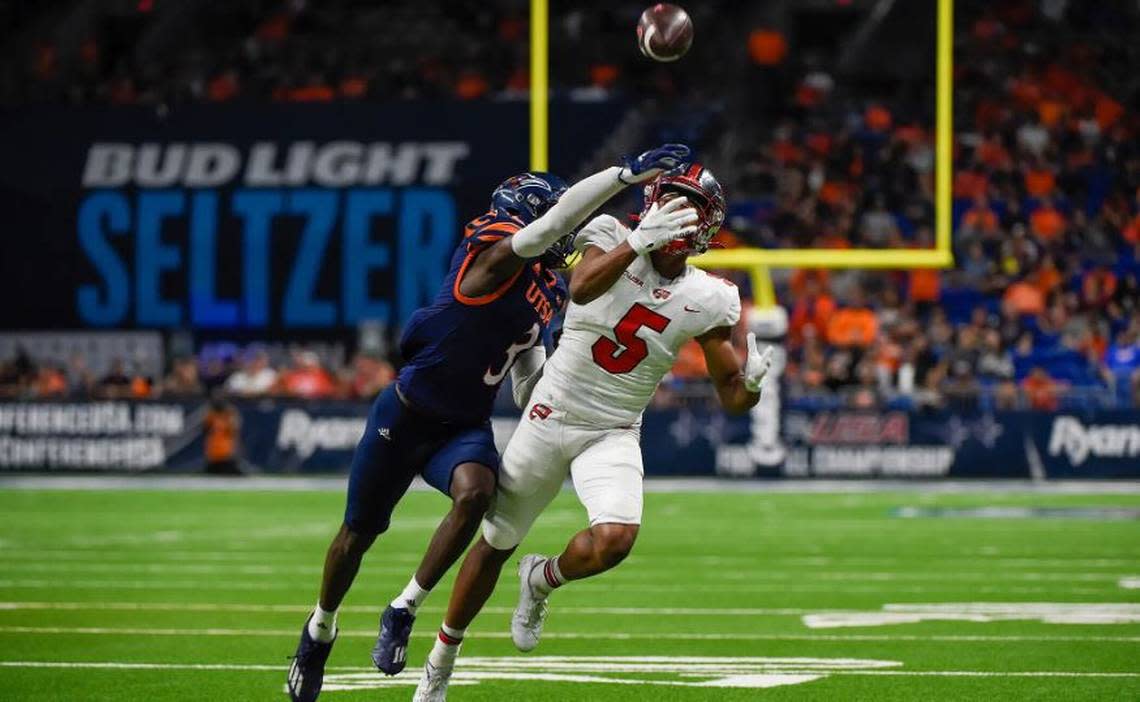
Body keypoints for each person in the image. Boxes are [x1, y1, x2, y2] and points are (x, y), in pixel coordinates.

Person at [286, 143, 693, 702]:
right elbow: (552, 224)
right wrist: (624, 175)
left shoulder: (548, 289)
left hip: (463, 425)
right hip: (405, 414)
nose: (567, 240)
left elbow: (527, 375)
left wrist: (559, 399)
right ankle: (320, 630)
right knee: (357, 536)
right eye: (555, 222)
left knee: (477, 495)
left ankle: (404, 607)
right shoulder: (493, 253)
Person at [411, 164, 774, 700]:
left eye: (687, 209)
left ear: (705, 228)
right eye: (667, 202)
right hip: (550, 412)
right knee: (496, 540)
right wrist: (636, 243)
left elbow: (733, 398)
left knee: (615, 542)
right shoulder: (608, 234)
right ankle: (440, 662)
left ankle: (542, 580)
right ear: (650, 202)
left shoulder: (711, 297)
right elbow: (581, 286)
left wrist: (756, 384)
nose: (673, 217)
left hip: (614, 428)